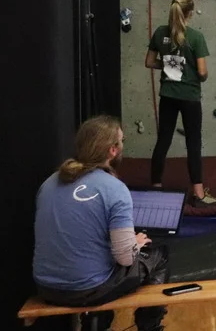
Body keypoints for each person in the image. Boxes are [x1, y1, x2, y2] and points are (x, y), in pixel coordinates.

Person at [33, 116, 168, 331]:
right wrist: (135, 243)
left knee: (103, 262)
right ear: (113, 150)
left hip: (45, 287)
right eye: (121, 141)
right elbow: (125, 258)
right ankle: (150, 326)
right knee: (158, 255)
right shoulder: (114, 189)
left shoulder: (49, 182)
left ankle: (95, 324)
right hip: (87, 290)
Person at [145, 0, 216, 209]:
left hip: (168, 95)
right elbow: (203, 72)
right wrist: (199, 74)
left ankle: (156, 187)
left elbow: (150, 62)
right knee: (193, 143)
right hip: (189, 97)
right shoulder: (195, 37)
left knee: (163, 141)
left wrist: (170, 66)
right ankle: (197, 193)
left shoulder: (161, 32)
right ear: (190, 13)